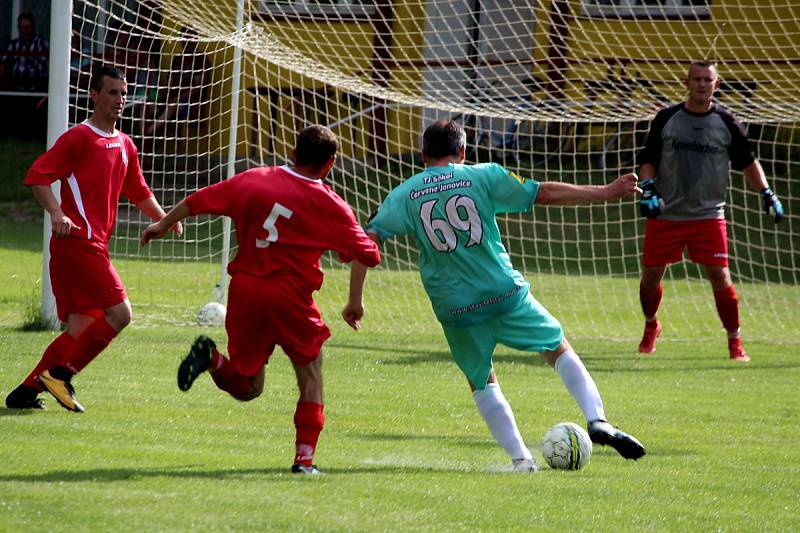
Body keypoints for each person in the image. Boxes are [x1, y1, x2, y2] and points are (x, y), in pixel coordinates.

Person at [342, 119, 646, 472]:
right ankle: (597, 420)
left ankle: (521, 460)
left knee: (481, 378)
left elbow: (367, 242)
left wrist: (355, 300)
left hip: (455, 306)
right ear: (464, 151)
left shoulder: (404, 193)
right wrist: (607, 191)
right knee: (556, 347)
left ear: (423, 155)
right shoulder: (483, 175)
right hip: (503, 292)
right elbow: (541, 192)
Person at [140, 125, 381, 475]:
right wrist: (349, 246)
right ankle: (304, 460)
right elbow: (369, 255)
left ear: (294, 153)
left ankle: (210, 359)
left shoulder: (253, 179)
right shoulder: (330, 203)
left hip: (246, 290)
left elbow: (199, 200)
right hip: (289, 297)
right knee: (311, 375)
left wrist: (163, 224)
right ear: (329, 165)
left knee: (248, 385)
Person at [4, 66, 182, 413]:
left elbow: (138, 190)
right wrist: (57, 213)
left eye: (124, 93)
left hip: (94, 245)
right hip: (78, 244)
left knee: (82, 328)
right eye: (113, 93)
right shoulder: (78, 138)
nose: (120, 100)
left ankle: (25, 392)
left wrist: (164, 218)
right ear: (94, 95)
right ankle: (60, 376)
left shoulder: (125, 144)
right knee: (120, 314)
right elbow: (37, 177)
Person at [636, 60, 784, 361]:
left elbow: (747, 162)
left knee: (719, 274)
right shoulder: (666, 118)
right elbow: (648, 158)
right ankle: (652, 326)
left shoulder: (727, 122)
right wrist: (648, 188)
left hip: (708, 215)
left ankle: (735, 341)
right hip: (666, 213)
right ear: (686, 83)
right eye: (697, 79)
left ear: (716, 85)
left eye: (708, 80)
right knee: (651, 276)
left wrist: (767, 193)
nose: (702, 84)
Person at [143, 27, 210, 136]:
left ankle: (145, 135)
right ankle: (149, 141)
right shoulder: (178, 59)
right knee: (149, 102)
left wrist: (178, 98)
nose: (185, 42)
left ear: (195, 40)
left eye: (188, 38)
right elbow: (170, 81)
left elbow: (198, 87)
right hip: (173, 98)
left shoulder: (201, 59)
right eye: (183, 38)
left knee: (173, 105)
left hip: (190, 102)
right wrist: (166, 95)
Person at [1, 12, 49, 92]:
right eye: (22, 28)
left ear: (33, 27)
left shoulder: (41, 43)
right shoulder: (13, 45)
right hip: (14, 86)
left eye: (28, 27)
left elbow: (48, 65)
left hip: (36, 86)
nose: (25, 30)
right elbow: (3, 65)